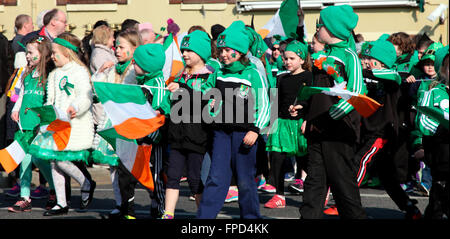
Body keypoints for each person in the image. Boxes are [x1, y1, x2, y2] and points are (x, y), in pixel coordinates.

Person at [293, 5, 367, 219]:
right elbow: (319, 92)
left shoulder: (349, 55)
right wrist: (304, 106)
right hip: (318, 130)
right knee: (313, 184)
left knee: (343, 185)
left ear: (332, 30)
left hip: (339, 132)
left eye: (320, 26)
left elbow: (356, 93)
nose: (317, 29)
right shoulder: (322, 54)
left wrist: (330, 117)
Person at [197, 20, 270, 219]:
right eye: (220, 51)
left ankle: (251, 219)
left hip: (245, 134)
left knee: (245, 181)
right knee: (216, 178)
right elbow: (203, 90)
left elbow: (264, 104)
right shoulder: (218, 72)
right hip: (220, 133)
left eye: (228, 50)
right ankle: (204, 218)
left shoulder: (253, 73)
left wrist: (255, 130)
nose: (223, 55)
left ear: (240, 51)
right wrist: (183, 88)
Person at [28, 33, 96, 216]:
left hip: (73, 124)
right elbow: (50, 99)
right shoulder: (54, 74)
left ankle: (86, 182)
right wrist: (45, 114)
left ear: (67, 52)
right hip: (56, 124)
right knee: (53, 162)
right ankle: (61, 202)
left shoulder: (79, 72)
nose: (52, 56)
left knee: (61, 160)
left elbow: (86, 95)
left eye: (55, 53)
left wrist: (76, 107)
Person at [162, 30, 213, 219]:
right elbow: (171, 102)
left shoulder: (210, 75)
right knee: (173, 176)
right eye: (183, 50)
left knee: (195, 179)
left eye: (189, 50)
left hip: (197, 136)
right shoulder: (180, 75)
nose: (184, 54)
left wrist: (182, 89)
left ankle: (203, 215)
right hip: (177, 134)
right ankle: (168, 213)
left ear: (201, 53)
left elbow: (206, 98)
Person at [91, 29, 140, 218]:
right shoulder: (112, 68)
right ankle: (121, 204)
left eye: (122, 47)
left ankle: (144, 203)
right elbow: (97, 93)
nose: (117, 50)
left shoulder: (136, 71)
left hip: (129, 123)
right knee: (113, 165)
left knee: (131, 168)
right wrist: (100, 73)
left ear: (135, 49)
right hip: (111, 122)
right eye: (116, 46)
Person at [118, 43, 170, 219]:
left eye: (137, 62)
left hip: (152, 141)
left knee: (155, 178)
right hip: (134, 138)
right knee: (125, 174)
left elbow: (159, 113)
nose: (133, 64)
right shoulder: (140, 81)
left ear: (147, 66)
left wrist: (151, 134)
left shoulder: (157, 84)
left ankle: (161, 210)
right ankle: (128, 212)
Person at [7, 36, 56, 213]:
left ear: (43, 54)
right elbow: (21, 94)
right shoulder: (26, 74)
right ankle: (24, 197)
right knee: (24, 160)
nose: (27, 56)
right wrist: (16, 109)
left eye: (30, 52)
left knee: (39, 159)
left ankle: (54, 189)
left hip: (40, 126)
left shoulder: (48, 76)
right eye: (27, 52)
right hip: (25, 124)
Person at [264, 40, 311, 208]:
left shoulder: (309, 77)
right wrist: (271, 124)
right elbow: (275, 102)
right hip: (282, 124)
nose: (287, 62)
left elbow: (312, 101)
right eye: (285, 59)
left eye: (292, 58)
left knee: (305, 160)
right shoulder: (282, 78)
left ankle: (316, 194)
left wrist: (305, 115)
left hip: (300, 124)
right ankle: (279, 195)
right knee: (276, 158)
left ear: (302, 59)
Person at [419, 46, 449, 219]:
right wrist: (443, 127)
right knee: (438, 202)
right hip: (441, 156)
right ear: (443, 70)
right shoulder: (434, 93)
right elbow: (423, 121)